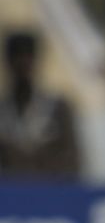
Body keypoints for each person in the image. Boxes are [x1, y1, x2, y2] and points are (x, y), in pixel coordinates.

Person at [0, 32, 82, 179]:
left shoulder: (57, 109)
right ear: (8, 62)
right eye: (16, 57)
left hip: (50, 195)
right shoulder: (4, 110)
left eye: (27, 57)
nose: (22, 64)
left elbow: (73, 162)